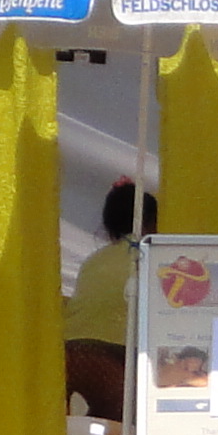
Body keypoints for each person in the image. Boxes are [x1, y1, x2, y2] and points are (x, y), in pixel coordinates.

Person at [64, 181, 157, 422]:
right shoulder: (149, 257)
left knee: (97, 419)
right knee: (126, 425)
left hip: (70, 351)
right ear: (150, 221)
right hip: (111, 353)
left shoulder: (94, 260)